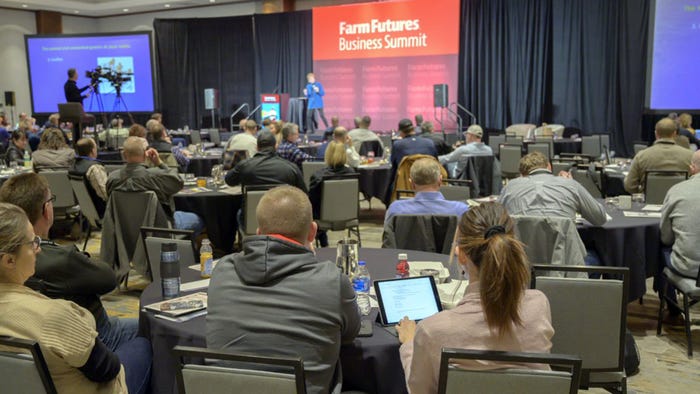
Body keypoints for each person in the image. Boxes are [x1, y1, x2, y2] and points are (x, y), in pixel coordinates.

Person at [207, 185, 361, 394]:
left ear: (259, 232)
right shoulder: (332, 280)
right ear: (313, 232)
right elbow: (351, 333)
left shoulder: (222, 270)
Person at [396, 203, 554, 394]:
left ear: (461, 255)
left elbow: (419, 391)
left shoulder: (432, 330)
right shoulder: (538, 305)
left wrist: (409, 345)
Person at [0, 202, 152, 394]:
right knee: (144, 345)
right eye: (33, 243)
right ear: (9, 260)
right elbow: (108, 369)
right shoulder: (52, 316)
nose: (39, 248)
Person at [0, 172, 141, 351]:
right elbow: (108, 280)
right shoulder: (59, 259)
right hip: (91, 337)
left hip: (33, 344)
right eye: (51, 200)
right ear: (46, 209)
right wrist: (81, 257)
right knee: (154, 329)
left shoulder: (9, 260)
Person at [107, 137, 204, 233]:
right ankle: (180, 247)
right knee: (199, 219)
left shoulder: (112, 179)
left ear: (123, 155)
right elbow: (178, 182)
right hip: (158, 228)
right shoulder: (156, 176)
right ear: (145, 154)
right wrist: (159, 163)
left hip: (124, 230)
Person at [499, 152, 606, 225]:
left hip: (520, 257)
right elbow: (600, 218)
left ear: (521, 174)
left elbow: (497, 222)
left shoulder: (509, 187)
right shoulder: (570, 185)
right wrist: (569, 183)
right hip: (564, 257)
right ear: (549, 166)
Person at [384, 158, 468, 225]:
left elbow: (388, 241)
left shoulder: (395, 209)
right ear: (440, 181)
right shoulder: (461, 210)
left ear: (412, 184)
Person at [624, 118, 693, 194]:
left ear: (656, 134)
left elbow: (629, 186)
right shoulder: (690, 156)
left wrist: (642, 194)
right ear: (674, 134)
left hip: (648, 203)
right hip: (679, 203)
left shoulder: (641, 156)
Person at [661, 150, 700, 279]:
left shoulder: (677, 191)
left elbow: (666, 238)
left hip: (689, 268)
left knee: (660, 249)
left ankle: (664, 297)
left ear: (692, 168)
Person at [309, 140, 356, 247]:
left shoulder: (318, 176)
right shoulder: (352, 174)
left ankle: (323, 244)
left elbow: (312, 201)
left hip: (323, 220)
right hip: (350, 217)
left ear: (327, 155)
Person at [225, 130, 306, 191]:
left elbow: (229, 181)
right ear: (275, 146)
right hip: (282, 212)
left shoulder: (244, 165)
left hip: (252, 213)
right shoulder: (292, 168)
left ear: (257, 147)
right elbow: (304, 194)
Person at [70, 138, 109, 217]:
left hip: (86, 211)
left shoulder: (73, 166)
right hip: (102, 212)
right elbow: (106, 195)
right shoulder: (94, 168)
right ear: (93, 151)